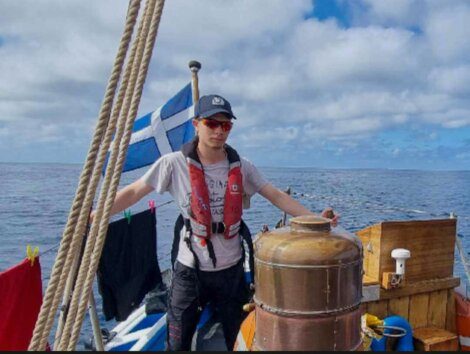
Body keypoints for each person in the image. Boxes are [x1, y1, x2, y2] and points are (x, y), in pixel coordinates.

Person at [91, 94, 339, 351]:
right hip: (190, 271)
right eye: (212, 123)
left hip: (230, 270)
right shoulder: (173, 165)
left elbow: (275, 195)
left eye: (226, 125)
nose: (219, 131)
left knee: (237, 338)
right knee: (178, 342)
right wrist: (98, 214)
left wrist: (316, 219)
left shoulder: (242, 167)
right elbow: (135, 191)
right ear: (197, 124)